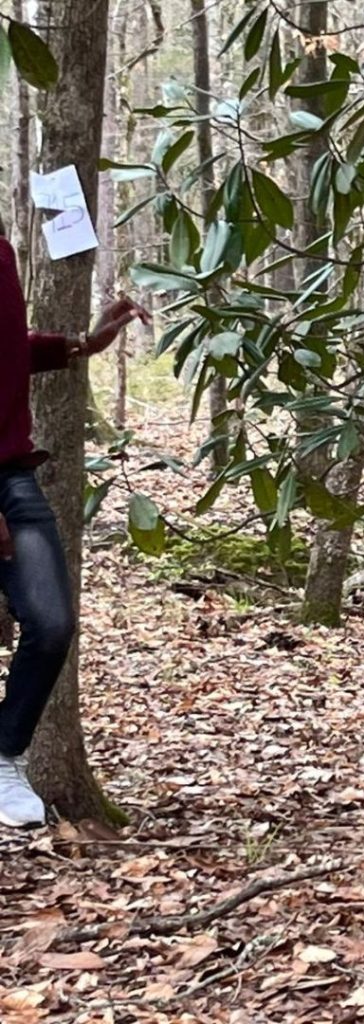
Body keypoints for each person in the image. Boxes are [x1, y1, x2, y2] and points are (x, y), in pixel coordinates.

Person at [0, 222, 149, 828]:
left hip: (11, 475)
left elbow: (5, 352)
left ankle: (4, 755)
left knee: (51, 623)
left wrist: (79, 345)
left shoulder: (1, 252)